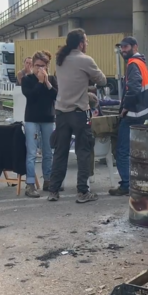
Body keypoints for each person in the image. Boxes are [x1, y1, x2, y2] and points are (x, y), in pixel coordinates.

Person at [49, 28, 106, 203]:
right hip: (79, 113)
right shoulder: (85, 60)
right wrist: (87, 86)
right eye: (86, 42)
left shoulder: (60, 60)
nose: (87, 44)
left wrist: (83, 85)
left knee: (60, 152)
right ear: (81, 43)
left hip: (61, 113)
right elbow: (102, 80)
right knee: (83, 151)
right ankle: (82, 192)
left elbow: (66, 83)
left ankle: (53, 191)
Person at [109, 36, 148, 197]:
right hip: (144, 112)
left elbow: (134, 88)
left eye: (126, 47)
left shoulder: (133, 64)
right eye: (122, 47)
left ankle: (126, 184)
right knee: (136, 149)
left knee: (122, 150)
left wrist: (125, 108)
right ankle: (139, 181)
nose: (123, 50)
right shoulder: (141, 62)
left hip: (135, 112)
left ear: (135, 47)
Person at [22, 50, 58, 197]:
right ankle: (30, 184)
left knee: (48, 152)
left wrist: (47, 82)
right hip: (32, 118)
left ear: (47, 66)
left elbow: (56, 96)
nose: (39, 69)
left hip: (48, 118)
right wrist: (39, 82)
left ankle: (48, 180)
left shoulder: (52, 79)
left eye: (42, 66)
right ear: (32, 65)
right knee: (31, 152)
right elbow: (30, 97)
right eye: (37, 65)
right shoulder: (27, 79)